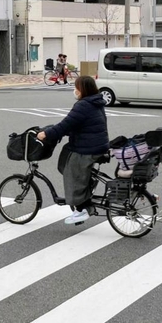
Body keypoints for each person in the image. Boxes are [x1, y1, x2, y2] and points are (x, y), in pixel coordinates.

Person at [37, 76, 109, 225]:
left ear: (83, 89)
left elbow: (65, 125)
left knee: (72, 172)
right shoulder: (96, 102)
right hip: (98, 144)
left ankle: (81, 208)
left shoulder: (83, 105)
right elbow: (83, 125)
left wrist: (46, 134)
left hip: (88, 149)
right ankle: (85, 196)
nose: (75, 90)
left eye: (76, 87)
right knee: (69, 158)